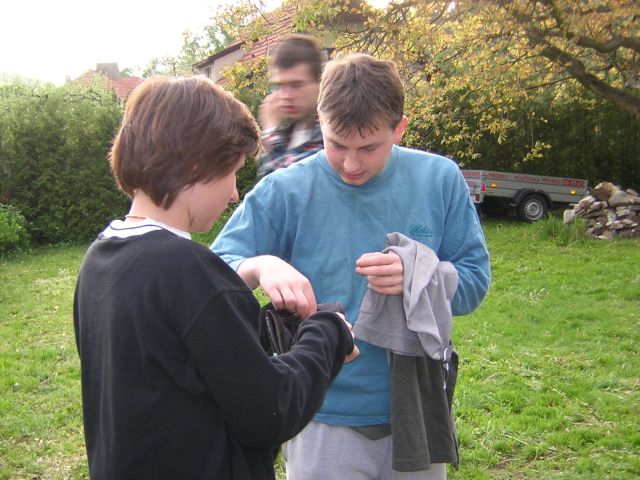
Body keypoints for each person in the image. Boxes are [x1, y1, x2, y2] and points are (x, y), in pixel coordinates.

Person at [212, 54, 491, 479]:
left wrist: (419, 277)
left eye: (369, 148)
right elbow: (211, 276)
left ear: (399, 129)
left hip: (416, 408)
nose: (351, 164)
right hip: (320, 411)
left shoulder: (440, 179)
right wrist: (260, 265)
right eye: (337, 144)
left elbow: (475, 281)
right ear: (320, 122)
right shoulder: (285, 191)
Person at [73, 76, 357, 480]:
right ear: (197, 165)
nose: (234, 194)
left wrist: (263, 316)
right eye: (233, 173)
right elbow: (271, 410)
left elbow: (182, 355)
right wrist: (328, 331)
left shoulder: (102, 259)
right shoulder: (184, 269)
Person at [257, 33, 325, 178]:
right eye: (280, 86)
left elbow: (283, 184)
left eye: (296, 85)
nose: (286, 95)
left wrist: (270, 132)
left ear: (319, 83)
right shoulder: (286, 137)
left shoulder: (331, 135)